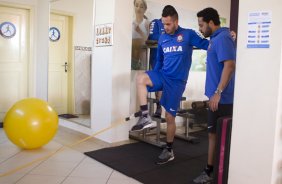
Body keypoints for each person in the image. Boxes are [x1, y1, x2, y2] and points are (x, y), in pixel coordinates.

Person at [131, 5, 209, 165]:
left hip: (177, 81)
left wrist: (224, 35)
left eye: (168, 24)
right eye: (163, 24)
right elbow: (159, 60)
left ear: (176, 22)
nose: (165, 27)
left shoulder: (188, 34)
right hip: (163, 75)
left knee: (169, 117)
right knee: (140, 78)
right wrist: (154, 77)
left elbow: (207, 45)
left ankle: (169, 149)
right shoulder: (162, 38)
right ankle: (145, 116)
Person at [193, 7, 236, 183]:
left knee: (223, 137)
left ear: (211, 23)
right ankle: (210, 171)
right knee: (212, 135)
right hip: (215, 97)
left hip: (223, 99)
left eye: (202, 25)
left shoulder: (223, 38)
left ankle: (219, 173)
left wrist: (218, 93)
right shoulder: (215, 38)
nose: (201, 29)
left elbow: (230, 65)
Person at [147, 18, 164, 117]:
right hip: (156, 58)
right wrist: (167, 36)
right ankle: (159, 106)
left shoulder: (172, 26)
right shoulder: (155, 22)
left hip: (167, 58)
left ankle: (161, 105)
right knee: (158, 82)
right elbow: (152, 36)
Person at [131, 0, 150, 70]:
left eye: (141, 6)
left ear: (145, 9)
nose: (138, 8)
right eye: (136, 5)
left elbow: (149, 41)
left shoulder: (147, 23)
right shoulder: (131, 23)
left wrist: (139, 31)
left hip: (143, 60)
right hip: (131, 60)